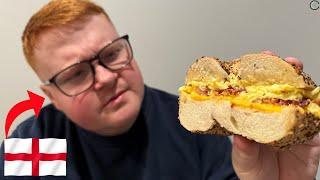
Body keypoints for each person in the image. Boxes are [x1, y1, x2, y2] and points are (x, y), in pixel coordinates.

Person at [0, 0, 319, 179]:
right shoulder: (39, 141)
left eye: (112, 53)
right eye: (75, 74)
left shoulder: (200, 133)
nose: (107, 77)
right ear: (52, 96)